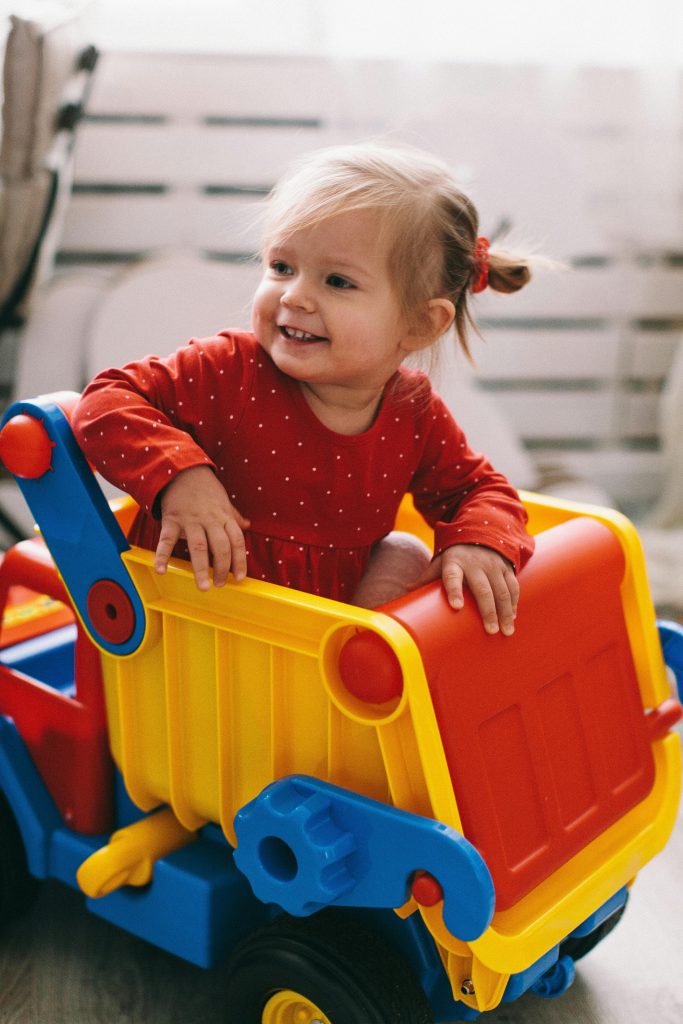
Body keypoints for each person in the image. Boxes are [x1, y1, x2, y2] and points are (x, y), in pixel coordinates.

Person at [73, 141, 535, 636]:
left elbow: (478, 489)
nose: (294, 295)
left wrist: (478, 542)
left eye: (337, 281)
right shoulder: (229, 369)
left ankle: (357, 688)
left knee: (405, 554)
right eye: (281, 267)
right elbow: (105, 401)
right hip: (196, 620)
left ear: (420, 325)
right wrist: (180, 476)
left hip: (320, 649)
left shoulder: (411, 411)